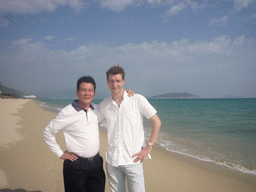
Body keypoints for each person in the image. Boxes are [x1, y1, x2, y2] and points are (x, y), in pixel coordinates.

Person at [99, 65, 161, 192]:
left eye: (118, 81)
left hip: (133, 161)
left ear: (123, 82)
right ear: (107, 82)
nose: (114, 84)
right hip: (113, 162)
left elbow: (157, 122)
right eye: (111, 81)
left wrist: (149, 147)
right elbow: (90, 122)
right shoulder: (104, 105)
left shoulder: (137, 99)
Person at [43, 76, 105, 192]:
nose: (87, 93)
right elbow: (48, 131)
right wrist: (60, 153)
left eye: (90, 90)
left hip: (96, 163)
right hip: (76, 165)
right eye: (83, 90)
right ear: (77, 92)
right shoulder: (67, 112)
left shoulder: (97, 109)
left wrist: (127, 94)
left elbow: (113, 104)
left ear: (94, 93)